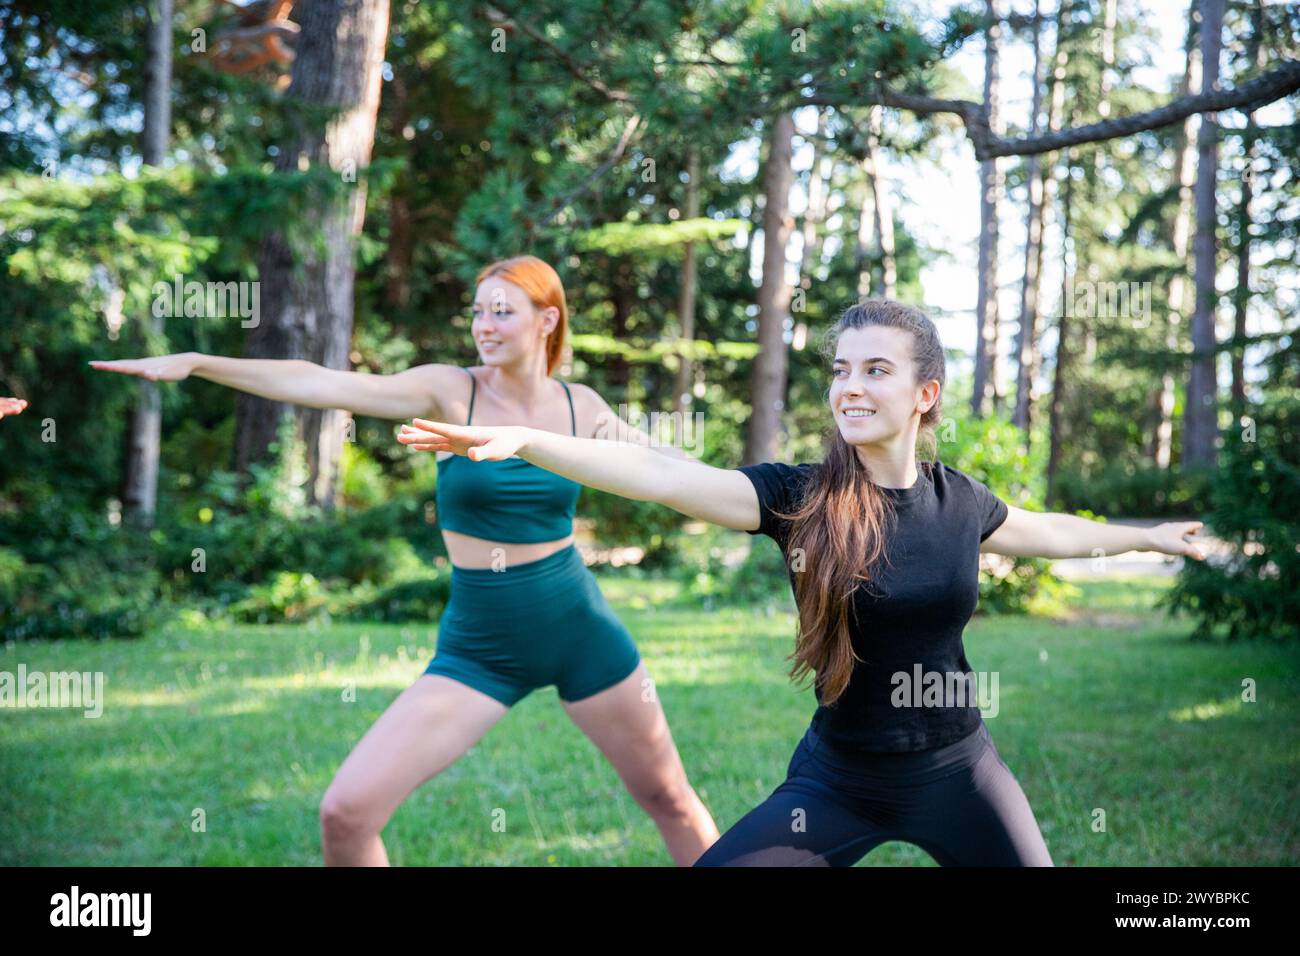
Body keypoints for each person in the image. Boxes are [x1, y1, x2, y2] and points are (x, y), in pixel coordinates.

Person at [398, 297, 1207, 867]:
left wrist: (1151, 535)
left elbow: (1050, 532)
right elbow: (657, 476)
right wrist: (530, 442)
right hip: (839, 776)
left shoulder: (961, 500)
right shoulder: (798, 497)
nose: (850, 386)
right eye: (841, 369)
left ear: (924, 396)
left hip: (958, 769)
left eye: (876, 370)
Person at [91, 255, 720, 865]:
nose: (484, 326)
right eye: (477, 312)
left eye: (502, 312)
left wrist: (777, 490)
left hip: (579, 629)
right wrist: (200, 363)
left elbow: (668, 465)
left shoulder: (582, 407)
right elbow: (320, 381)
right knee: (346, 812)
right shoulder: (450, 392)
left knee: (671, 798)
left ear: (547, 321)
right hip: (481, 645)